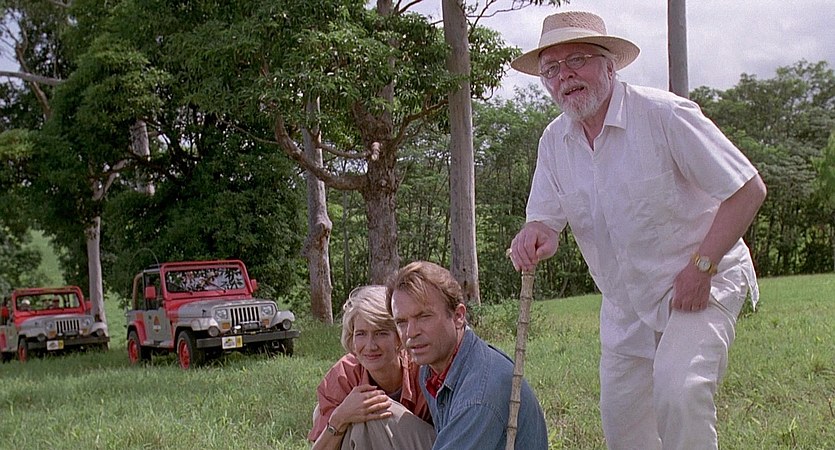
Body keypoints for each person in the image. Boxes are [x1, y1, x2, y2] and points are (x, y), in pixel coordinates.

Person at [507, 11, 767, 450]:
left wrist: (701, 267)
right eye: (551, 69)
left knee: (680, 393)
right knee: (623, 425)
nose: (564, 76)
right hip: (625, 303)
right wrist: (536, 236)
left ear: (610, 65)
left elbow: (747, 189)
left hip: (701, 279)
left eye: (577, 60)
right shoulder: (554, 142)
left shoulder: (665, 115)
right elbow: (545, 222)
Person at [386, 261, 548, 450]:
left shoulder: (479, 396)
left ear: (458, 316)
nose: (411, 332)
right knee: (374, 421)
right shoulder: (429, 370)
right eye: (401, 322)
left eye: (424, 316)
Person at [309, 285, 435, 450]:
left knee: (371, 412)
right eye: (361, 334)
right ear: (352, 338)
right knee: (326, 414)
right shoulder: (344, 375)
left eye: (381, 333)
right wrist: (340, 416)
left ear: (399, 338)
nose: (370, 346)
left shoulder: (423, 369)